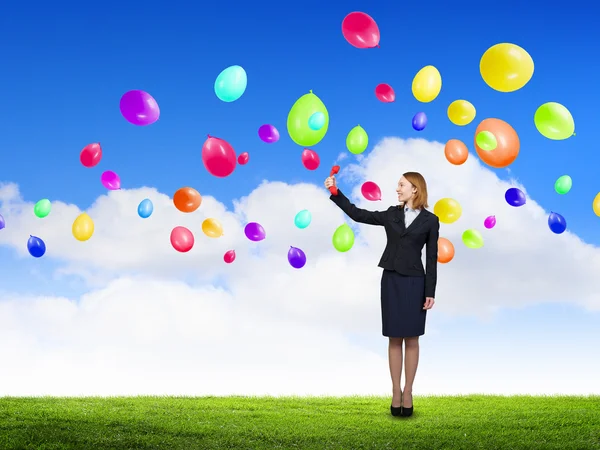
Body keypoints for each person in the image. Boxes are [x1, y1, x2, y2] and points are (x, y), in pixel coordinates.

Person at [324, 172, 439, 418]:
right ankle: (395, 391)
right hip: (392, 280)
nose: (397, 189)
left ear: (415, 189)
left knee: (413, 338)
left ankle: (408, 391)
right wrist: (335, 193)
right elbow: (358, 214)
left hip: (416, 283)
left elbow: (432, 258)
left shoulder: (431, 220)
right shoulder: (391, 214)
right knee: (394, 337)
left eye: (401, 185)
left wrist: (430, 291)